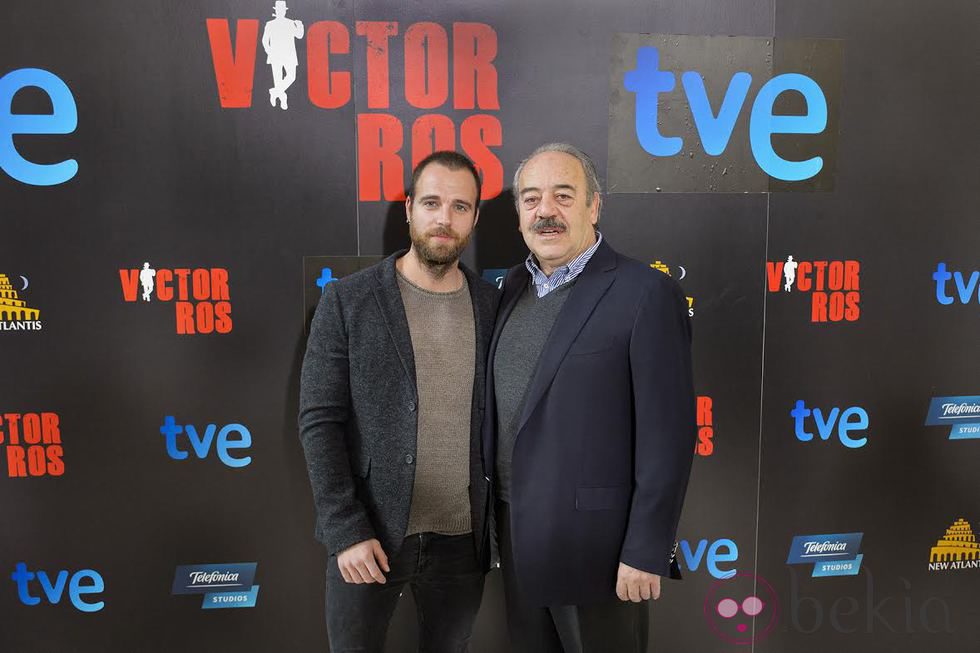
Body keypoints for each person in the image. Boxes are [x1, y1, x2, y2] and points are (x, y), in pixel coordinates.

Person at [485, 142, 696, 652]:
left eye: (563, 195)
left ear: (593, 206)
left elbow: (668, 435)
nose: (546, 212)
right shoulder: (511, 288)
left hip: (598, 547)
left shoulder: (644, 292)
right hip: (518, 533)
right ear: (518, 216)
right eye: (531, 199)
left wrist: (646, 549)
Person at [299, 151, 498, 652]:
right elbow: (320, 421)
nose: (444, 219)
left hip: (463, 541)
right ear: (409, 208)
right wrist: (345, 529)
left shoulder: (495, 307)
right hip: (370, 536)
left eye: (459, 206)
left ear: (475, 217)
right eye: (431, 202)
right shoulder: (348, 300)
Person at [261, 1, 304, 110]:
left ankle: (275, 92)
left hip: (289, 56)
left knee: (291, 77)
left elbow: (299, 36)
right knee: (278, 79)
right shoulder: (270, 24)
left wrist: (300, 25)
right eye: (279, 9)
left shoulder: (290, 23)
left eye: (283, 9)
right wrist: (269, 51)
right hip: (275, 56)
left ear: (285, 10)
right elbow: (265, 40)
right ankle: (282, 98)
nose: (281, 11)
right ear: (276, 10)